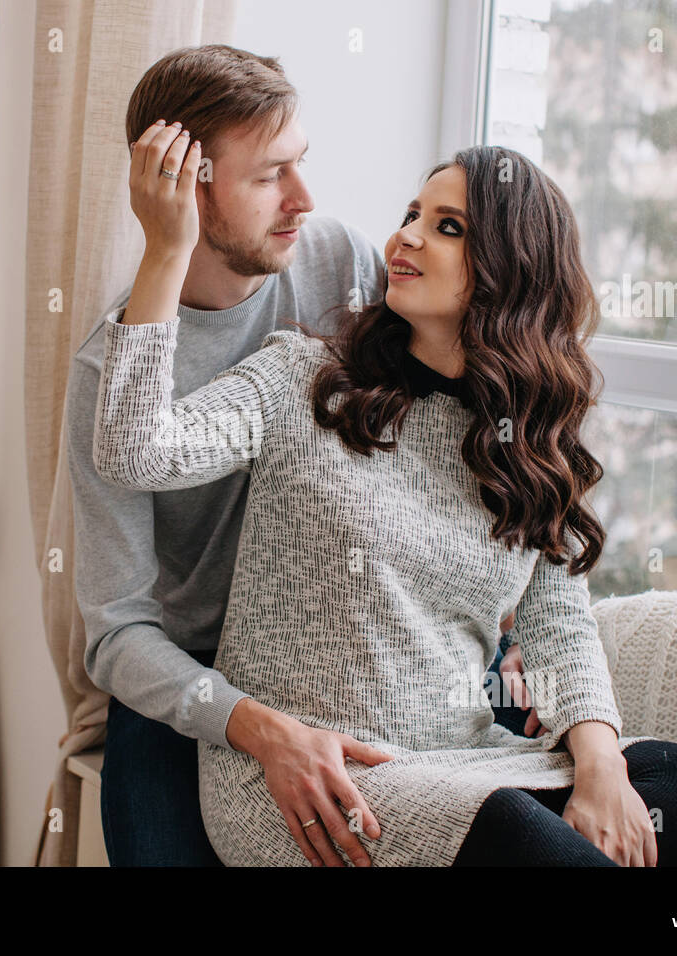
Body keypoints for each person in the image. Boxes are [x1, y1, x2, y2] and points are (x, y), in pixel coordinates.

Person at [91, 126, 677, 866]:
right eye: (413, 214)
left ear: (510, 270)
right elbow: (138, 451)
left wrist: (601, 769)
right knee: (525, 839)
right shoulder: (298, 379)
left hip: (459, 758)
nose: (408, 237)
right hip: (318, 779)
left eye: (446, 227)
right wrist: (166, 250)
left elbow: (558, 620)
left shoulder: (522, 444)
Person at [65, 44, 542, 867]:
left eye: (302, 164)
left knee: (638, 790)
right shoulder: (113, 375)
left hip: (368, 643)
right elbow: (116, 635)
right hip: (199, 675)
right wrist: (262, 729)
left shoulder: (340, 262)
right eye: (267, 177)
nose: (303, 200)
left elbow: (452, 431)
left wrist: (506, 611)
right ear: (185, 186)